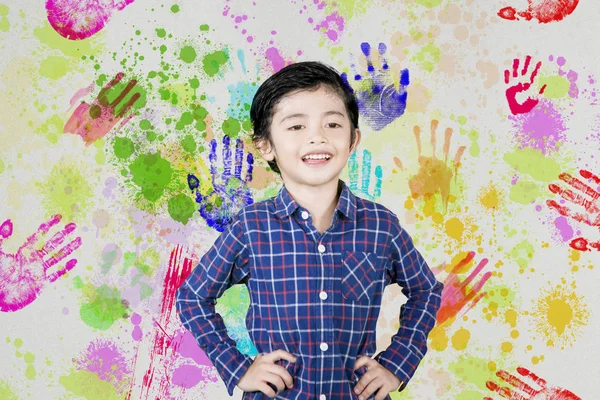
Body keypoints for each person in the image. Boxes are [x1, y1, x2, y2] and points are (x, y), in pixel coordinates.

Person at [176, 61, 443, 400]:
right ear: (266, 146)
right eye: (297, 126)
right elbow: (192, 297)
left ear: (353, 139)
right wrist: (237, 367)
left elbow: (426, 291)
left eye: (332, 123)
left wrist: (397, 364)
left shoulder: (381, 226)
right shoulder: (251, 228)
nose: (317, 136)